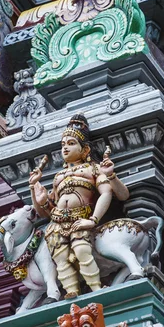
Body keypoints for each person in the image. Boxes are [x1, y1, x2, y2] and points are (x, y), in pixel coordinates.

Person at [29, 113, 129, 298]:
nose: (65, 148)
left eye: (71, 143)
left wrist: (93, 220)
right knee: (60, 257)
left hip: (81, 217)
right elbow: (45, 212)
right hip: (58, 222)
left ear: (85, 150)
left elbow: (116, 194)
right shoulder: (58, 177)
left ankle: (96, 288)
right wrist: (35, 192)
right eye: (63, 145)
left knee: (82, 250)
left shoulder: (93, 169)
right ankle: (71, 291)